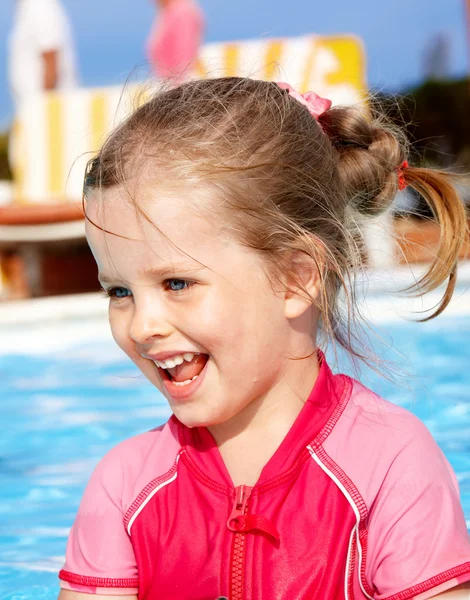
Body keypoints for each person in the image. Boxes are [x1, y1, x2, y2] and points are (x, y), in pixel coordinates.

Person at [57, 78, 470, 599]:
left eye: (176, 283)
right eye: (119, 291)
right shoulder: (123, 489)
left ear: (296, 277)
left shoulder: (389, 466)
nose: (141, 326)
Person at [8, 0, 78, 108]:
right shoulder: (27, 8)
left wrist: (42, 111)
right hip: (35, 111)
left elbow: (51, 63)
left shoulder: (41, 6)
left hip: (48, 113)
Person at [147, 0, 204, 83]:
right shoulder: (168, 13)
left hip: (178, 85)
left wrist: (178, 88)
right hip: (169, 84)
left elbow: (185, 56)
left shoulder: (182, 13)